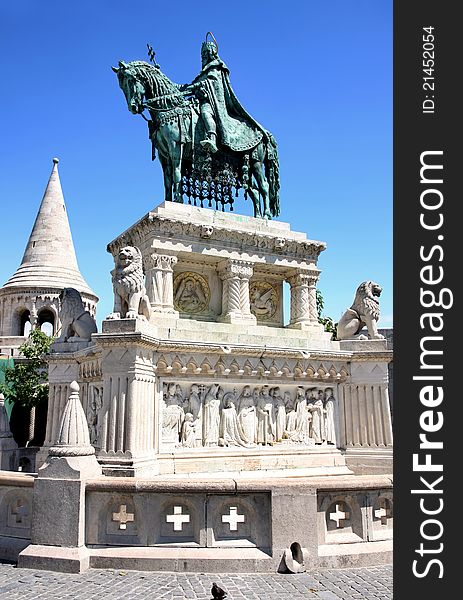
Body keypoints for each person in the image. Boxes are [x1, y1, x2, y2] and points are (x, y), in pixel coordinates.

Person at [181, 33, 267, 154]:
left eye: (205, 54)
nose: (203, 57)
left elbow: (210, 83)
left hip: (211, 103)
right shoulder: (202, 73)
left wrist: (195, 87)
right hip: (197, 102)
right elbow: (191, 85)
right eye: (202, 55)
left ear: (211, 53)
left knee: (206, 112)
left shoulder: (216, 68)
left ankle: (212, 138)